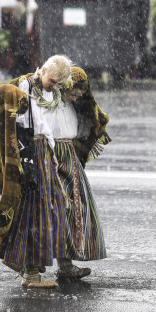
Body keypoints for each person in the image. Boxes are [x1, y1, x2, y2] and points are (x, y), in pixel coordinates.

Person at [0, 55, 72, 288]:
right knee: (35, 210)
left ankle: (16, 258)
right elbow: (17, 124)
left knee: (49, 208)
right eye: (52, 80)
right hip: (31, 151)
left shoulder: (52, 93)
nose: (54, 86)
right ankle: (30, 272)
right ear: (42, 71)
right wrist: (24, 162)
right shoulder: (25, 86)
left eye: (59, 84)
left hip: (44, 151)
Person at [54, 66, 110, 279]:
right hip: (54, 156)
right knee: (59, 210)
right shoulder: (50, 102)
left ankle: (65, 264)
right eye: (72, 93)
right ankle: (34, 266)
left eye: (79, 95)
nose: (74, 98)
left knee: (74, 210)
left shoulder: (73, 106)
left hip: (70, 157)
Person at [114, 0, 149, 82]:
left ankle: (133, 73)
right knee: (130, 52)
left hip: (134, 29)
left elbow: (143, 11)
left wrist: (140, 24)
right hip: (127, 29)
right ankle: (126, 74)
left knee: (135, 52)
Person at [26, 0, 60, 69]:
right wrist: (28, 26)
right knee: (37, 46)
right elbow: (30, 9)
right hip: (37, 21)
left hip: (49, 21)